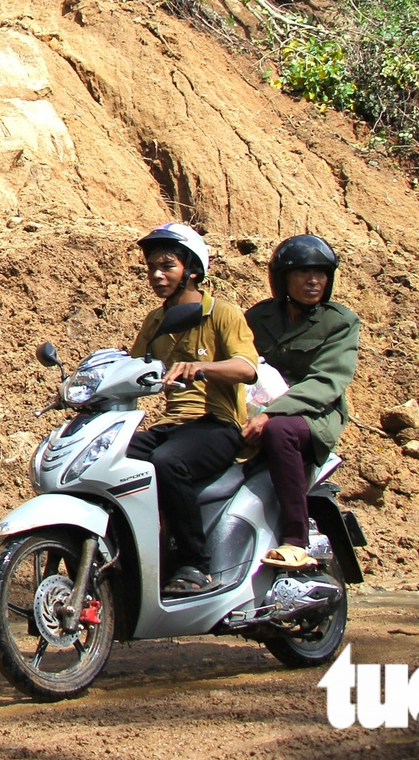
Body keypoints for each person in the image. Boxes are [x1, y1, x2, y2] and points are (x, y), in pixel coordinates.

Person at [126, 223, 260, 598]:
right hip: (171, 425)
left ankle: (194, 565)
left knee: (169, 463)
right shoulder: (156, 321)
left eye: (167, 266)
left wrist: (202, 367)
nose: (156, 274)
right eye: (151, 266)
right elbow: (134, 366)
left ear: (193, 270)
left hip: (216, 425)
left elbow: (247, 369)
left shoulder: (223, 314)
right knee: (110, 459)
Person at [242, 235, 360, 570]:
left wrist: (270, 414)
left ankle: (295, 540)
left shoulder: (339, 322)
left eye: (321, 273)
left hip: (313, 416)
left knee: (280, 432)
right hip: (255, 409)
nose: (313, 281)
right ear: (282, 279)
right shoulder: (259, 317)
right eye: (303, 273)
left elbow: (327, 382)